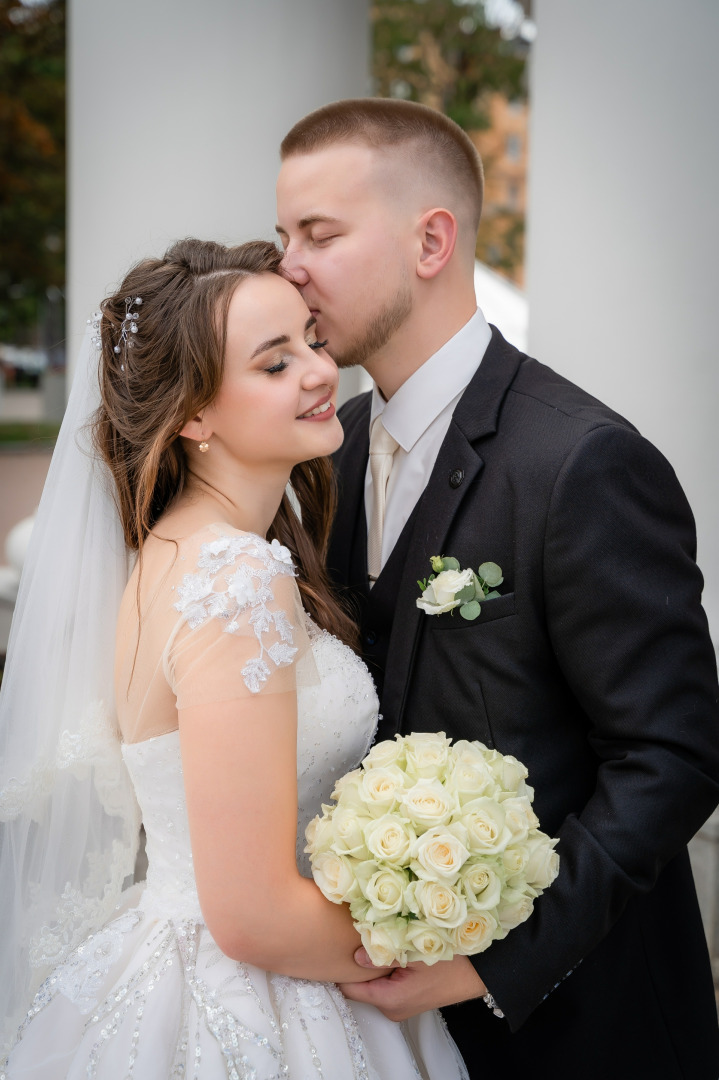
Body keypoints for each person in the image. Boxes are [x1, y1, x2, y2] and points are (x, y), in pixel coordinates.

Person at [275, 98, 719, 1077]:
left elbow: (672, 756)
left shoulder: (582, 463)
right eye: (282, 236)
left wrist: (492, 964)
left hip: (578, 1025)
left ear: (430, 240)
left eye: (319, 234)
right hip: (382, 1028)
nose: (287, 267)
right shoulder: (331, 446)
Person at [0, 238, 469, 1078]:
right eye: (273, 362)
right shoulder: (234, 576)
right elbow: (251, 913)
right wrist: (436, 944)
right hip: (254, 995)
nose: (320, 372)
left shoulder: (176, 549)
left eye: (312, 344)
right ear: (193, 415)